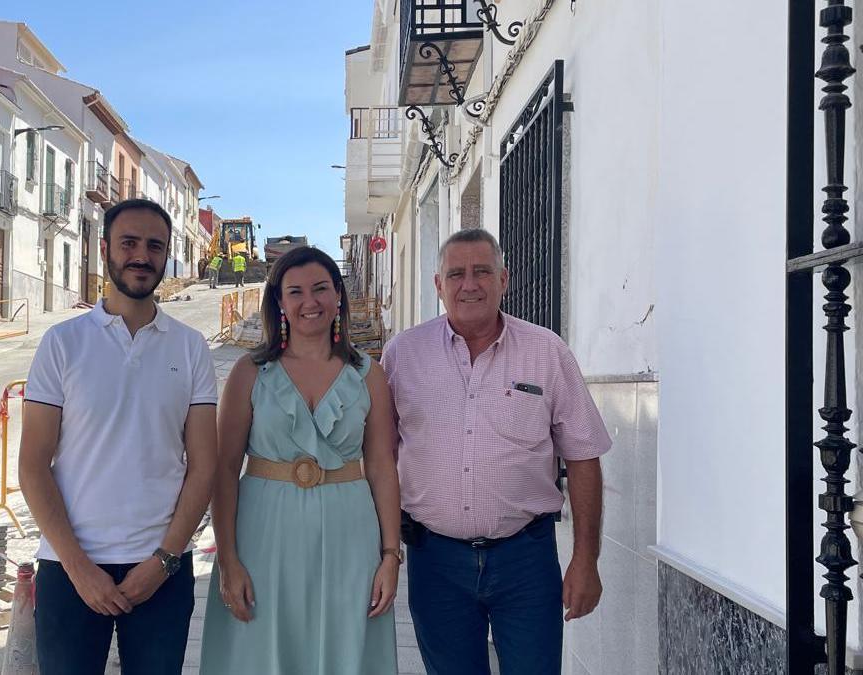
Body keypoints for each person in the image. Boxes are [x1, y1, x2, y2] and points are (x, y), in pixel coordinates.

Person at [381, 228, 611, 675]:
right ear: (438, 285)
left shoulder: (546, 352)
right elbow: (380, 457)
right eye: (457, 274)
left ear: (503, 279)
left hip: (525, 560)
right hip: (436, 562)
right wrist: (385, 549)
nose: (470, 284)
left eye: (482, 271)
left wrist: (586, 559)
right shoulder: (402, 355)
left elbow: (584, 456)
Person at [20, 198, 219, 675]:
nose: (142, 256)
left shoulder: (191, 348)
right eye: (129, 242)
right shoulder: (62, 344)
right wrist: (78, 568)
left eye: (155, 246)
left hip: (162, 570)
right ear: (105, 247)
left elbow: (205, 466)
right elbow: (32, 464)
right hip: (69, 570)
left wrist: (165, 559)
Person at [201, 246, 401, 674]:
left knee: (344, 646)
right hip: (263, 535)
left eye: (320, 289)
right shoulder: (249, 373)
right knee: (262, 649)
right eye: (295, 292)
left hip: (351, 534)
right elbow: (224, 471)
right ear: (280, 303)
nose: (309, 302)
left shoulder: (370, 375)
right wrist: (229, 559)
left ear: (338, 297)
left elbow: (383, 466)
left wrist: (389, 555)